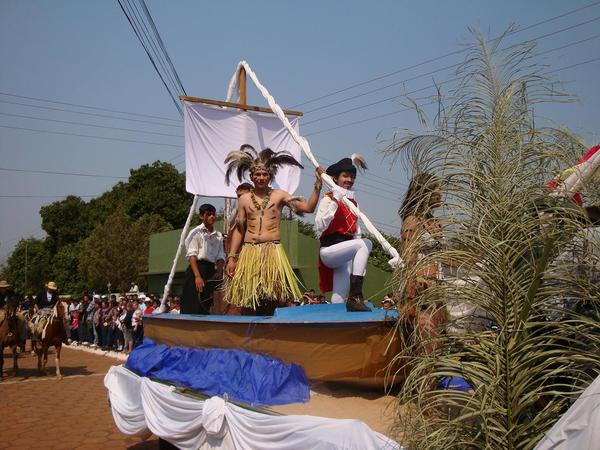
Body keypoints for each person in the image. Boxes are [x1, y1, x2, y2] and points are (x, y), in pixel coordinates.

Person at [224, 144, 324, 315]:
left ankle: (270, 331)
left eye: (265, 174)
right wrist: (232, 257)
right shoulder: (244, 199)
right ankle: (248, 332)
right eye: (258, 174)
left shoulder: (280, 195)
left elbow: (307, 208)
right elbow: (240, 230)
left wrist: (317, 185)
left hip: (272, 251)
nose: (261, 177)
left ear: (270, 176)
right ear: (251, 176)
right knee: (249, 296)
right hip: (250, 252)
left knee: (272, 297)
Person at [315, 155, 373, 312]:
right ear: (336, 178)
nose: (349, 180)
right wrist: (335, 200)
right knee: (366, 243)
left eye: (352, 177)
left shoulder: (354, 203)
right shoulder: (328, 199)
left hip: (345, 254)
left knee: (338, 296)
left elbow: (356, 234)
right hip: (329, 251)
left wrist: (361, 262)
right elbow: (320, 226)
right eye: (345, 176)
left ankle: (336, 323)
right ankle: (355, 296)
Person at [399, 173, 445, 352]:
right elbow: (409, 261)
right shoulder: (412, 221)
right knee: (427, 347)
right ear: (425, 192)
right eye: (436, 189)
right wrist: (410, 298)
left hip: (437, 290)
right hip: (421, 291)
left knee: (438, 345)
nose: (440, 193)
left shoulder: (435, 223)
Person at [181, 203, 226, 315]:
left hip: (211, 269)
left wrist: (220, 271)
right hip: (197, 268)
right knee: (192, 302)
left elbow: (221, 255)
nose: (212, 217)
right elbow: (192, 256)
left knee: (207, 302)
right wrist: (197, 277)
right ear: (202, 216)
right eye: (208, 214)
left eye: (213, 214)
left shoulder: (219, 235)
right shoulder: (195, 232)